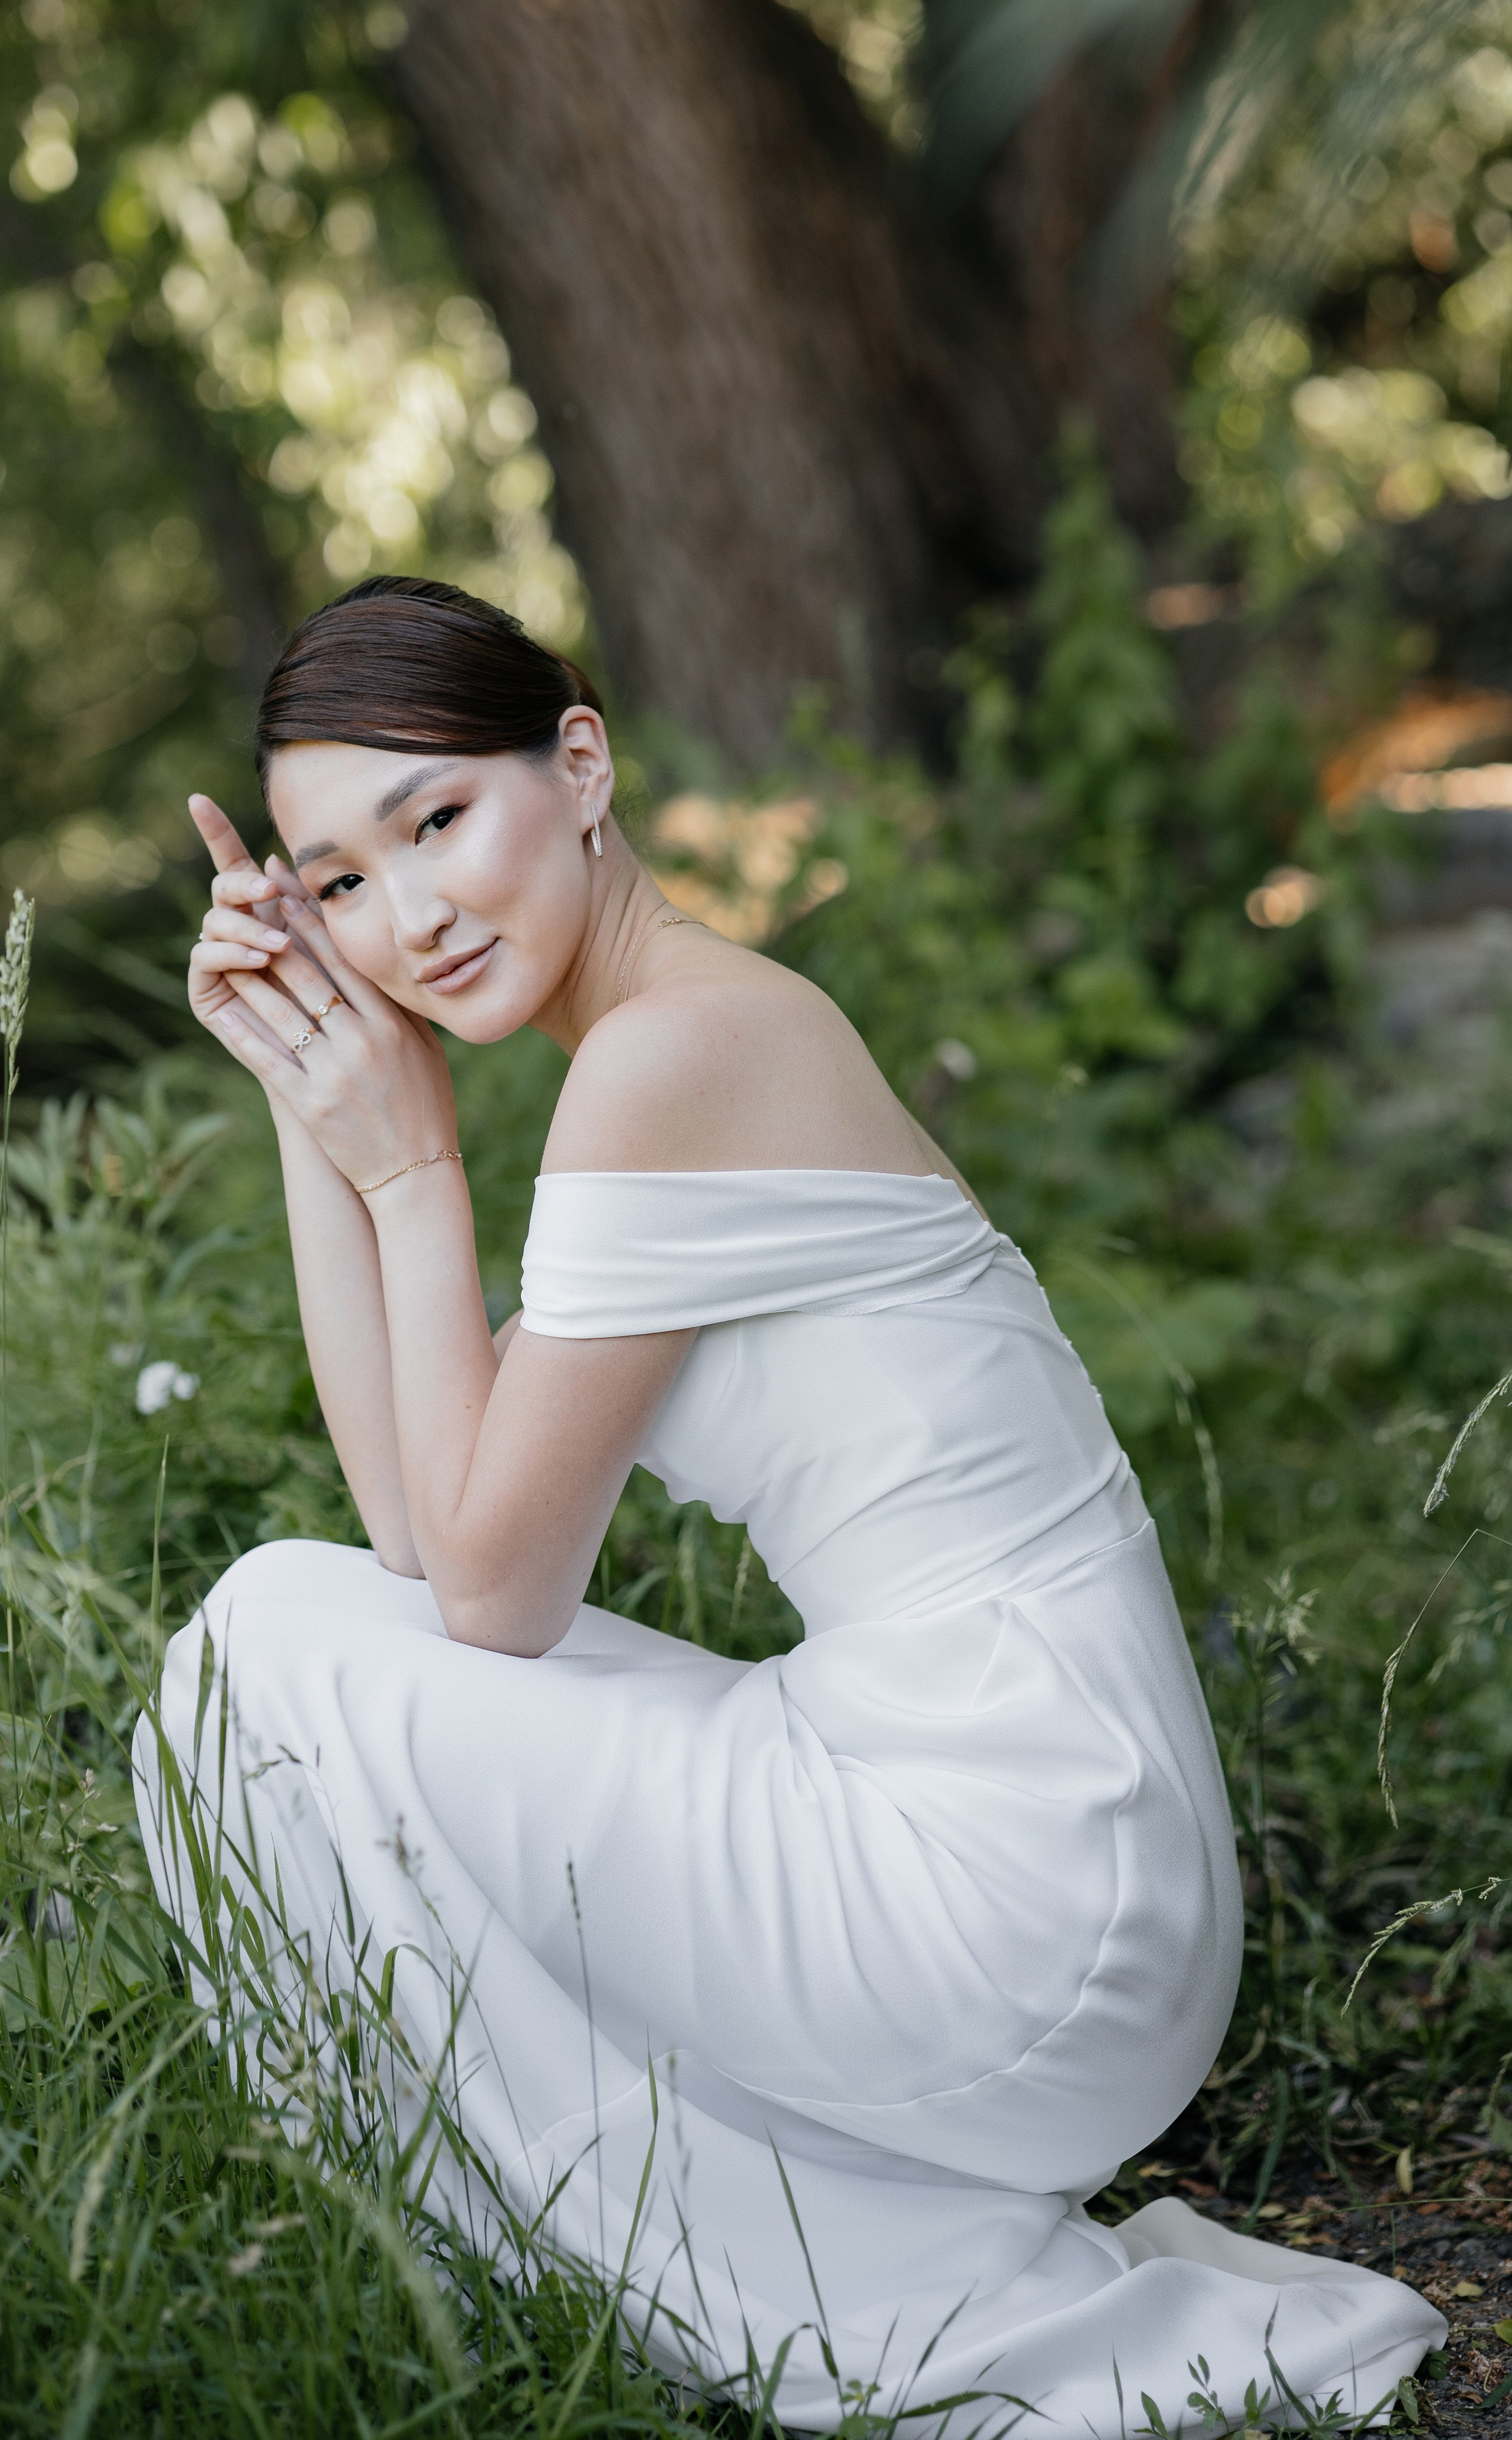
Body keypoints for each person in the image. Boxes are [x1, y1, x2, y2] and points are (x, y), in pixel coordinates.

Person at [133, 574, 1443, 2432]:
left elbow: (492, 1601)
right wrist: (304, 1085)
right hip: (1020, 1830)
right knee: (298, 1619)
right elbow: (426, 1535)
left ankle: (544, 2249)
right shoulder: (674, 1043)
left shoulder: (678, 1060)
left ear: (579, 765)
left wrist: (415, 1169)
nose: (406, 916)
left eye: (438, 819)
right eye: (339, 882)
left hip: (1031, 1897)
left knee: (273, 1639)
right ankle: (580, 2228)